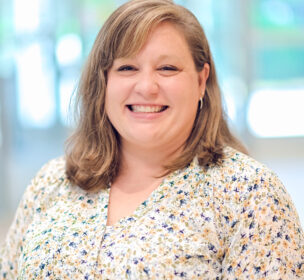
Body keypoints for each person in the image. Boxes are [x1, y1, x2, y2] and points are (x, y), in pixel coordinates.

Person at [1, 0, 303, 278]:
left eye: (167, 68)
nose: (146, 86)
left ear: (201, 81)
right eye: (127, 68)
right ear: (104, 82)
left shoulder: (249, 194)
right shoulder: (52, 182)